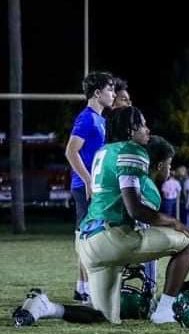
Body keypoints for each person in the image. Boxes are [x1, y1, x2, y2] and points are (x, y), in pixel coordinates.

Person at [76, 106, 189, 324]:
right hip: (112, 238)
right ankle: (164, 311)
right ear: (130, 129)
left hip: (87, 240)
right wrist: (173, 222)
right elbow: (136, 210)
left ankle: (46, 307)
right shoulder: (132, 150)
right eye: (142, 125)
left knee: (102, 319)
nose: (147, 130)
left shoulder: (103, 151)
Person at [64, 71, 115, 305]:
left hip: (93, 186)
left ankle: (82, 287)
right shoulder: (87, 118)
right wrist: (87, 180)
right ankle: (86, 289)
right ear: (97, 93)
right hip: (84, 187)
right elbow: (71, 151)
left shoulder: (100, 119)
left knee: (89, 237)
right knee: (88, 237)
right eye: (110, 89)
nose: (113, 94)